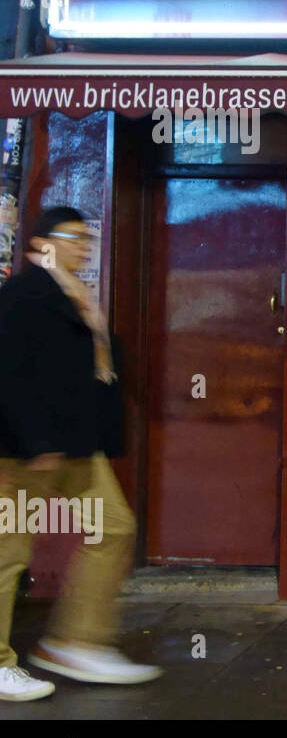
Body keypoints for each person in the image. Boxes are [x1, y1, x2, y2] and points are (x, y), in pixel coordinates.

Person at [0, 207, 162, 701]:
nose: (82, 245)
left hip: (75, 447)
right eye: (72, 237)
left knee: (113, 528)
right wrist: (36, 441)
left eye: (86, 237)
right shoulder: (23, 295)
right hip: (24, 451)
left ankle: (76, 641)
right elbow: (7, 376)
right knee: (9, 552)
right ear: (39, 245)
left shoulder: (76, 295)